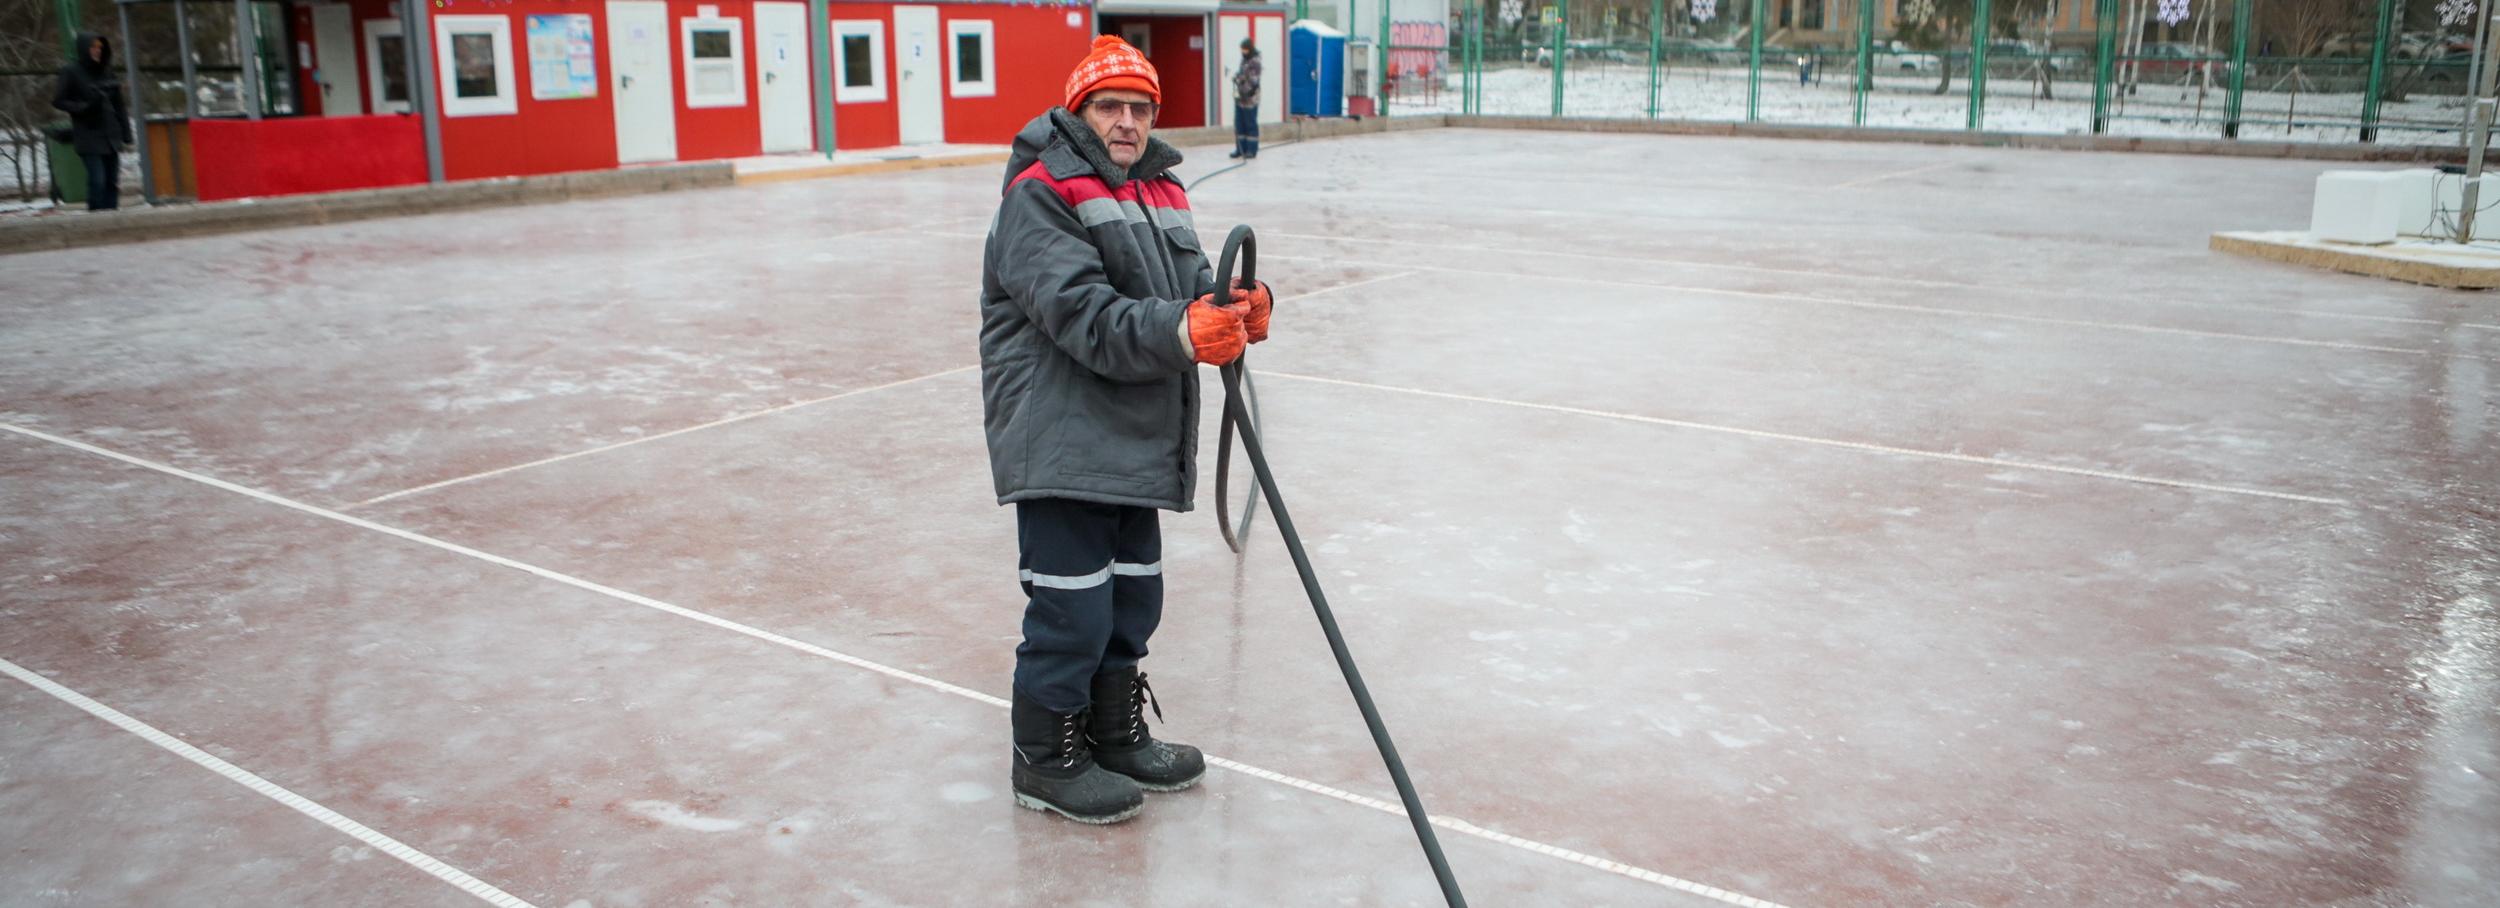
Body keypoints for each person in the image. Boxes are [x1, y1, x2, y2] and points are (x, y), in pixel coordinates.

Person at [977, 35, 1275, 825]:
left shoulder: (1162, 189)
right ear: (1079, 111)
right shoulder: (1040, 194)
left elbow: (1191, 287)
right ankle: (1044, 759)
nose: (1128, 122)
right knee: (1071, 608)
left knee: (1133, 597)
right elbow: (1084, 315)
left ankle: (1112, 733)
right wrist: (1184, 331)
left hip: (1133, 438)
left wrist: (1236, 306)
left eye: (1141, 108)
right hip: (1065, 437)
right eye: (1110, 106)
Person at [53, 34, 133, 212]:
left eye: (99, 47)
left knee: (112, 181)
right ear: (84, 49)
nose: (97, 51)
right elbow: (59, 100)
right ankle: (95, 217)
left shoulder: (106, 71)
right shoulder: (71, 71)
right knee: (98, 180)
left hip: (110, 133)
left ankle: (111, 216)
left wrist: (126, 132)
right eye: (93, 47)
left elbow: (119, 105)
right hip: (88, 133)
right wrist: (84, 107)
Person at [1231, 37, 1263, 160]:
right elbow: (1242, 74)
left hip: (1250, 99)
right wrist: (1237, 78)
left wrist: (1247, 93)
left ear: (1249, 49)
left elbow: (1254, 81)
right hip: (1240, 98)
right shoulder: (1244, 60)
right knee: (1239, 124)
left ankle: (1251, 150)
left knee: (1250, 124)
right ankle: (1240, 149)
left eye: (1244, 49)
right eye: (1242, 49)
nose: (1243, 52)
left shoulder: (1255, 62)